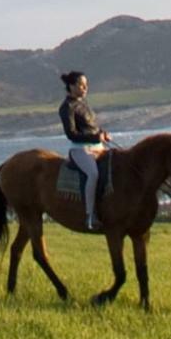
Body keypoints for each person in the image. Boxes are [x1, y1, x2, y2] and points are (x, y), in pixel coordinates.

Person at [58, 71, 111, 230]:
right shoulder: (66, 107)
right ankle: (90, 215)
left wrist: (102, 134)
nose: (85, 88)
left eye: (86, 85)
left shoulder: (83, 103)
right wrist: (95, 138)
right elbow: (71, 134)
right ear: (71, 86)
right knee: (93, 174)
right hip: (80, 150)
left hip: (97, 147)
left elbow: (91, 126)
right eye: (81, 85)